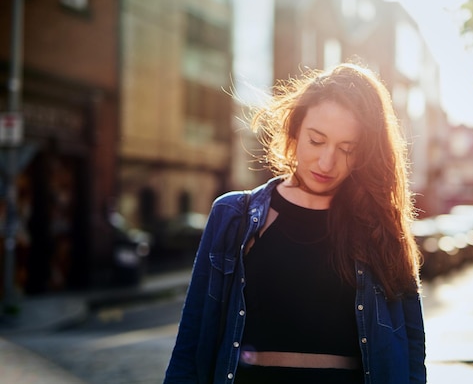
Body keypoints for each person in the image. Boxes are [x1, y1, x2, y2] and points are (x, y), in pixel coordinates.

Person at [163, 62, 427, 384]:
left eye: (347, 149)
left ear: (365, 154)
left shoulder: (380, 229)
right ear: (295, 130)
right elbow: (190, 344)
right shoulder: (233, 216)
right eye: (316, 141)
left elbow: (412, 351)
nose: (327, 162)